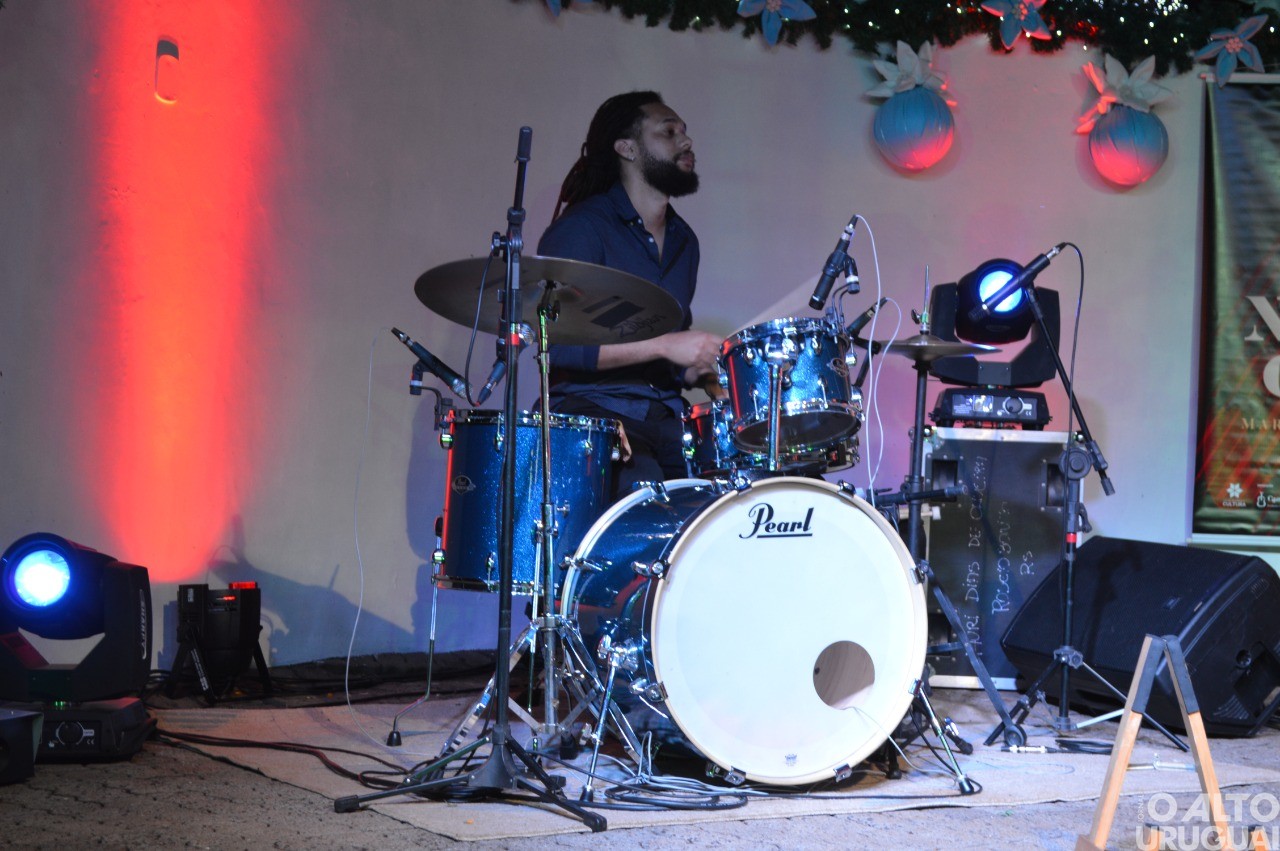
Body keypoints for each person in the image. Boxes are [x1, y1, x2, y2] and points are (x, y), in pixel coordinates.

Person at [538, 91, 724, 498]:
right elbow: (553, 345)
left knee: (716, 506)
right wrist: (665, 345)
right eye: (669, 131)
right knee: (645, 514)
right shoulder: (582, 230)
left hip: (665, 420)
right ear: (627, 148)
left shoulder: (684, 241)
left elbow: (668, 357)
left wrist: (703, 371)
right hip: (593, 415)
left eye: (685, 132)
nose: (686, 141)